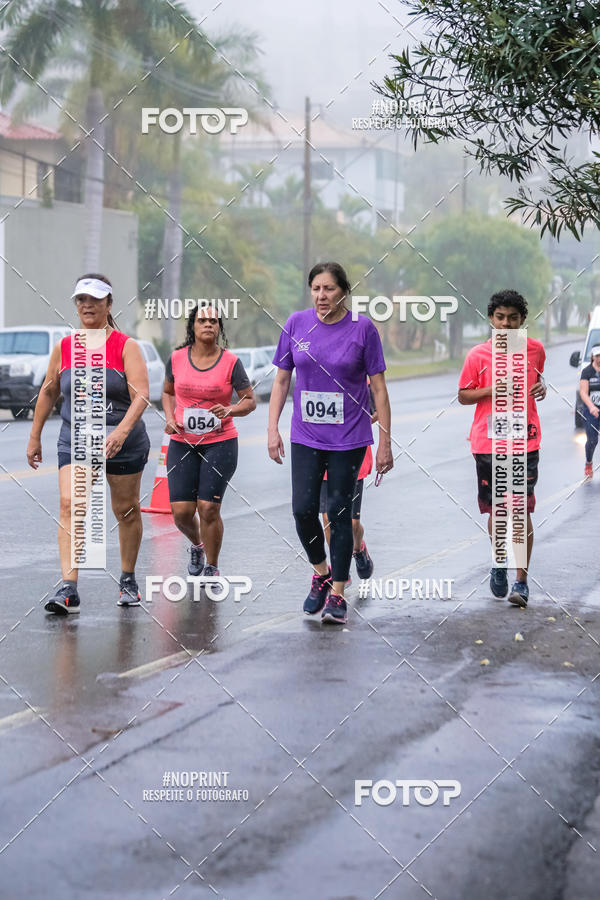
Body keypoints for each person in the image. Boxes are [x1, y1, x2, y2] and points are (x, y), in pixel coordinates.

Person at [268, 261, 392, 625]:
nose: (322, 296)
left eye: (329, 289)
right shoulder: (296, 324)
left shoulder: (363, 329)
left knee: (338, 513)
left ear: (344, 291)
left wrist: (385, 442)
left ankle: (338, 593)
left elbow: (379, 389)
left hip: (349, 439)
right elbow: (281, 381)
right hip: (305, 436)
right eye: (316, 289)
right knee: (302, 510)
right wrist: (272, 428)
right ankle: (321, 572)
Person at [26, 274, 151, 614]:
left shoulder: (125, 346)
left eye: (95, 300)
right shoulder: (65, 347)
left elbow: (141, 395)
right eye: (81, 299)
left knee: (125, 510)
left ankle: (128, 579)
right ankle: (69, 589)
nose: (87, 305)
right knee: (70, 505)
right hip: (76, 438)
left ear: (109, 304)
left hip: (122, 439)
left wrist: (122, 432)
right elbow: (51, 390)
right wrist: (35, 435)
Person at [458, 289, 546, 608]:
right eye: (500, 317)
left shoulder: (535, 350)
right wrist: (491, 390)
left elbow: (538, 380)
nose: (506, 324)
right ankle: (499, 563)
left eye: (512, 318)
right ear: (491, 319)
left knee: (519, 510)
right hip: (487, 442)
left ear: (522, 320)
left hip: (526, 440)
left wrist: (543, 387)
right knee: (499, 511)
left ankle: (521, 582)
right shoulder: (477, 356)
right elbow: (463, 395)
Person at [162, 303, 255, 583]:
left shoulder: (230, 362)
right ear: (192, 326)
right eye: (202, 320)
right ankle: (198, 545)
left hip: (220, 442)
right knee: (181, 513)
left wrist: (230, 410)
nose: (208, 325)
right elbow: (167, 392)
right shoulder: (177, 358)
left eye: (214, 321)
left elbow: (250, 401)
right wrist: (169, 416)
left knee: (208, 508)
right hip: (182, 441)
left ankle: (212, 566)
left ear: (219, 328)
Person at [320, 388, 377, 581]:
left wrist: (351, 422)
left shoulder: (359, 377)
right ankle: (339, 570)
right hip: (322, 452)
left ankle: (358, 548)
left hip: (352, 453)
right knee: (328, 517)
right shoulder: (314, 374)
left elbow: (376, 412)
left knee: (351, 523)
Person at [579, 345, 600, 479]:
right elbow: (583, 392)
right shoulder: (587, 371)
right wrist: (592, 407)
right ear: (593, 357)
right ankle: (589, 462)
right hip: (591, 409)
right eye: (597, 356)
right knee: (592, 440)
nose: (599, 358)